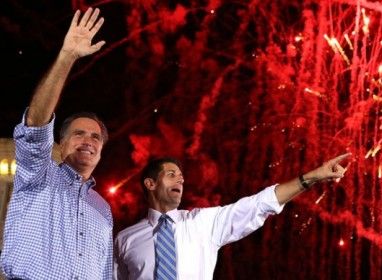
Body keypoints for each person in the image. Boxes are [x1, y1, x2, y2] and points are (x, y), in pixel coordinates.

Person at [0, 7, 113, 279]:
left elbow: (106, 271)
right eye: (79, 134)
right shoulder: (38, 175)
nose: (88, 141)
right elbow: (35, 126)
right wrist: (67, 56)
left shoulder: (103, 209)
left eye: (95, 137)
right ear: (60, 146)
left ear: (100, 151)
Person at [113, 153, 350, 280]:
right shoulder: (125, 240)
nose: (181, 180)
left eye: (182, 176)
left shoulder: (202, 223)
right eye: (172, 174)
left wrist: (313, 176)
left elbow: (259, 204)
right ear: (150, 183)